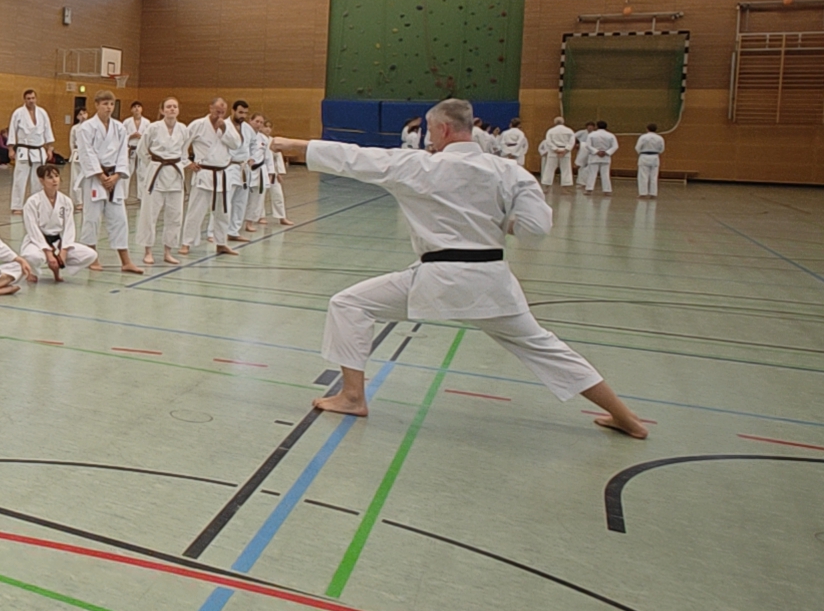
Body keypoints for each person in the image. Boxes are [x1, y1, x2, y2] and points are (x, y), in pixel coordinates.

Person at [271, 99, 648, 438]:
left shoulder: (418, 166)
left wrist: (293, 146)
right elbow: (535, 231)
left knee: (349, 305)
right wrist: (503, 222)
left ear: (443, 129)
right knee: (545, 347)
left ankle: (353, 396)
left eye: (430, 131)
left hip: (437, 278)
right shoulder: (509, 172)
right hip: (492, 282)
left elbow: (354, 157)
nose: (428, 138)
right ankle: (625, 416)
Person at [71, 91, 143, 274]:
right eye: (105, 104)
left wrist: (117, 175)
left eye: (111, 104)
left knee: (120, 219)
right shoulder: (85, 128)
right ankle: (92, 257)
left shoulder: (119, 128)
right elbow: (86, 153)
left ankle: (126, 261)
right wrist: (101, 176)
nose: (108, 107)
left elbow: (122, 153)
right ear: (96, 105)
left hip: (114, 179)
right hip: (95, 179)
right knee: (91, 218)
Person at [181, 97, 242, 256]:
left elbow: (236, 145)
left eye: (222, 112)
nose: (219, 114)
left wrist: (225, 130)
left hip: (222, 174)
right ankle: (186, 242)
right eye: (217, 110)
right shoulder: (198, 125)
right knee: (196, 211)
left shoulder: (228, 126)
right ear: (210, 108)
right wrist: (187, 162)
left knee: (223, 213)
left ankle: (221, 243)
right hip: (204, 173)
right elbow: (182, 145)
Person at [137, 97, 190, 265]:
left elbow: (184, 152)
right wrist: (154, 164)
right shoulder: (153, 128)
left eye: (175, 106)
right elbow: (141, 150)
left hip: (175, 173)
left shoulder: (183, 129)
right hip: (156, 172)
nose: (172, 109)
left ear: (178, 110)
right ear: (162, 110)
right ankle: (148, 251)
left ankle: (168, 251)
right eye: (168, 107)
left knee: (175, 215)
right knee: (149, 215)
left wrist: (178, 164)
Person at [21, 165, 96, 280]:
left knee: (91, 254)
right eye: (50, 177)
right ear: (42, 180)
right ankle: (33, 272)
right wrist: (48, 253)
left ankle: (60, 266)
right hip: (37, 242)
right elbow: (33, 229)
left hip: (59, 242)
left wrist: (63, 252)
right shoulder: (32, 202)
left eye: (56, 176)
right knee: (31, 256)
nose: (54, 180)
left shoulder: (66, 201)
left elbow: (69, 228)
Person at [7, 89, 55, 215]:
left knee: (38, 181)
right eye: (28, 98)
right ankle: (17, 206)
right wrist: (11, 148)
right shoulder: (18, 113)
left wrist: (49, 148)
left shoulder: (42, 113)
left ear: (36, 98)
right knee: (19, 180)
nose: (31, 100)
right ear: (24, 100)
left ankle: (36, 205)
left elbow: (47, 130)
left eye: (33, 98)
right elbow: (12, 130)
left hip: (38, 151)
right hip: (24, 150)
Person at [225, 100, 257, 243]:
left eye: (245, 113)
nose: (243, 115)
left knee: (240, 202)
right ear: (232, 111)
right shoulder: (224, 126)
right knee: (224, 201)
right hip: (228, 166)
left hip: (244, 168)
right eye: (240, 112)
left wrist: (252, 157)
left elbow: (254, 144)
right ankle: (214, 232)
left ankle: (233, 231)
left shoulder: (248, 128)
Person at [257, 118, 291, 225]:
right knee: (260, 196)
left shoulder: (273, 141)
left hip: (273, 172)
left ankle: (282, 217)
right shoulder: (256, 139)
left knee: (278, 194)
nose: (267, 129)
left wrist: (280, 172)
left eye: (269, 127)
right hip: (260, 171)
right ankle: (260, 216)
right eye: (265, 126)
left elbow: (278, 157)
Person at [122, 100, 151, 207]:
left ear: (142, 109)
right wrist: (130, 136)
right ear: (131, 110)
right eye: (134, 107)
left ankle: (142, 197)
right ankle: (124, 197)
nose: (137, 109)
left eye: (139, 106)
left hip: (142, 151)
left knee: (142, 174)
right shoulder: (126, 122)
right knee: (126, 174)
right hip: (130, 150)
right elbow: (121, 137)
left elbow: (149, 137)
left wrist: (141, 137)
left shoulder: (147, 122)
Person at [579, 120, 618, 195]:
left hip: (594, 157)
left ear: (596, 126)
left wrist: (596, 151)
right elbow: (615, 146)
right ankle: (607, 191)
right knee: (605, 174)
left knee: (592, 174)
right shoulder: (610, 135)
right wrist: (606, 152)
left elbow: (587, 145)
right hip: (605, 157)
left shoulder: (592, 135)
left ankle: (589, 189)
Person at [538, 117, 576, 189]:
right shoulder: (569, 130)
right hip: (565, 152)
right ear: (563, 122)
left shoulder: (551, 131)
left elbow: (548, 141)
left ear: (555, 122)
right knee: (566, 169)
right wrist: (566, 150)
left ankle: (546, 186)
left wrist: (555, 149)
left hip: (553, 152)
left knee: (549, 168)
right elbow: (572, 142)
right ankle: (566, 187)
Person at [635, 123, 666, 198]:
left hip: (644, 156)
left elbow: (637, 147)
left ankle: (643, 193)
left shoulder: (643, 137)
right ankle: (653, 194)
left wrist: (640, 152)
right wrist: (656, 152)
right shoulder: (659, 138)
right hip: (655, 157)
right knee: (654, 176)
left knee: (643, 176)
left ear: (647, 129)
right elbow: (662, 149)